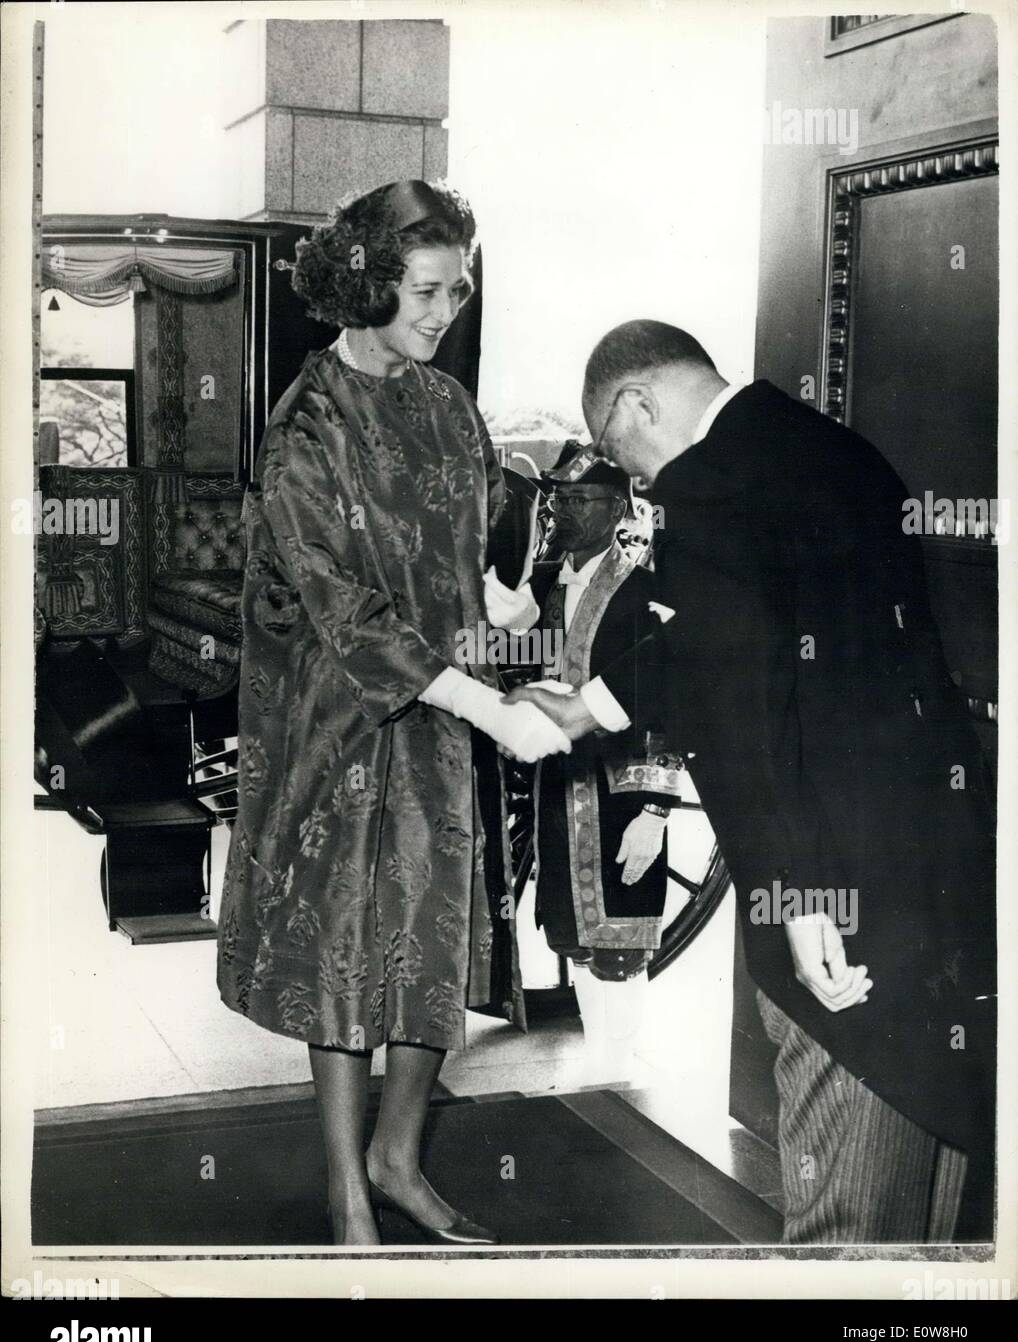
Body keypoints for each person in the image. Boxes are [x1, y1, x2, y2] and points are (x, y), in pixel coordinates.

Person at [508, 320, 996, 1243]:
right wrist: (592, 705)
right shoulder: (836, 452)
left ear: (638, 404)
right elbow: (723, 632)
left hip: (832, 875)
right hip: (933, 855)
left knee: (848, 1196)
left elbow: (744, 712)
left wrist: (802, 895)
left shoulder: (710, 487)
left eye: (625, 455)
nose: (640, 482)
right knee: (935, 1165)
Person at [216, 179, 569, 1247]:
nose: (442, 313)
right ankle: (345, 1190)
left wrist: (510, 628)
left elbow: (462, 573)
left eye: (457, 292)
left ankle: (397, 1158)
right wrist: (483, 702)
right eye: (425, 291)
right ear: (367, 281)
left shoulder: (449, 406)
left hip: (438, 721)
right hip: (332, 721)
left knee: (430, 935)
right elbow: (340, 607)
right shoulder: (305, 424)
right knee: (343, 947)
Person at [527, 444, 686, 1085]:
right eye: (557, 498)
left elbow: (674, 700)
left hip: (622, 791)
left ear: (617, 508)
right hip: (559, 789)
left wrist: (656, 811)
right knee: (576, 931)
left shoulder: (642, 589)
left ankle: (612, 1072)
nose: (561, 509)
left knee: (619, 939)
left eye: (578, 499)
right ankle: (600, 1068)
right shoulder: (543, 584)